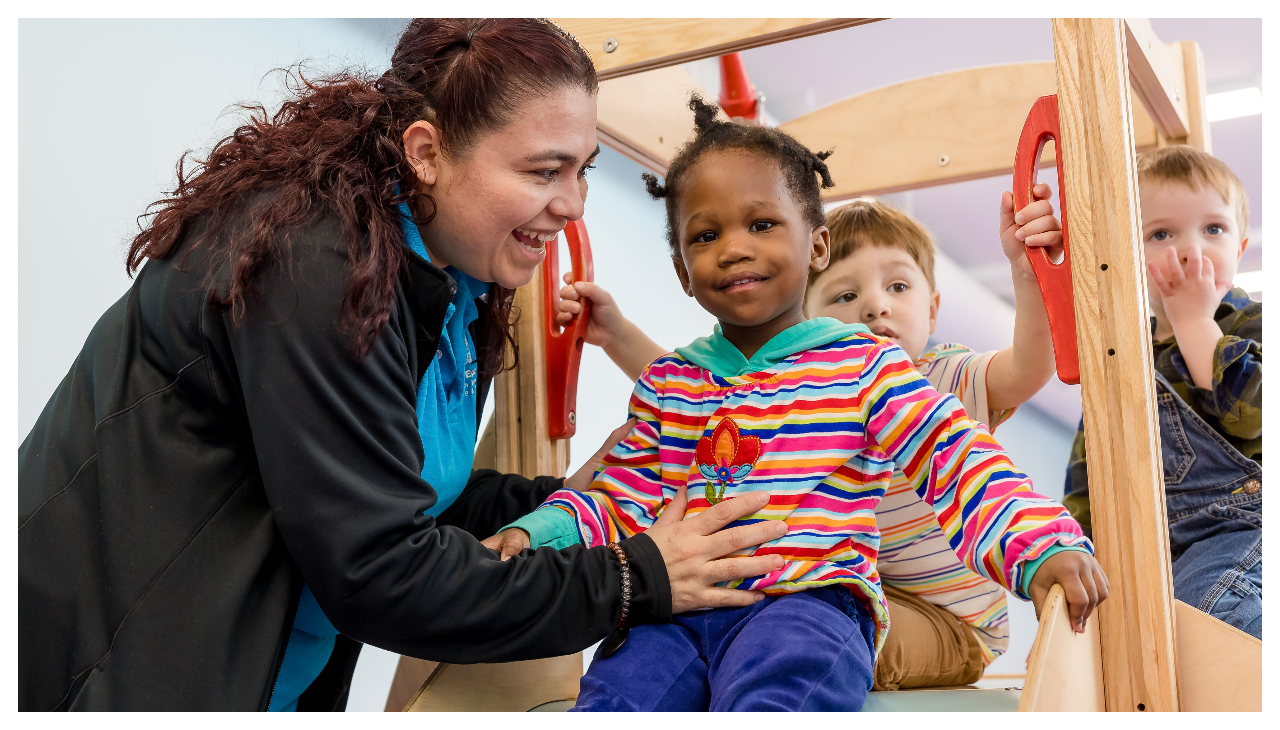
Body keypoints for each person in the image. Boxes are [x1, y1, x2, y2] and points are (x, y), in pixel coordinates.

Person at [17, 19, 785, 711]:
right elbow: (381, 569)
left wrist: (575, 502)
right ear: (425, 152)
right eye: (545, 171)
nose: (576, 203)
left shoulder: (450, 284)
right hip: (108, 674)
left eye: (582, 169)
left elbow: (387, 483)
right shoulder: (312, 265)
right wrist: (636, 576)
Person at [484, 95, 1105, 711]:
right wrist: (536, 535)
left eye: (761, 224)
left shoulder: (866, 367)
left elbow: (957, 457)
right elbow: (621, 493)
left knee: (778, 696)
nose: (732, 247)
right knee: (613, 701)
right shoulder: (672, 382)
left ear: (816, 248)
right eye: (705, 235)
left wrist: (1042, 547)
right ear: (682, 269)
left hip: (809, 605)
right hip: (679, 604)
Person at [1063, 145, 1261, 639]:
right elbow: (1091, 475)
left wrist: (1193, 319)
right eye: (1162, 234)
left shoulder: (1253, 322)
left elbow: (1253, 415)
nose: (1191, 249)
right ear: (1132, 256)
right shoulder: (1122, 359)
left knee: (1214, 616)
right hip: (1154, 551)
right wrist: (1081, 553)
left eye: (1213, 229)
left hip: (1244, 528)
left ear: (1239, 248)